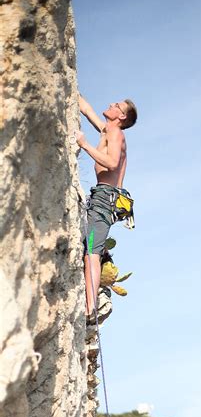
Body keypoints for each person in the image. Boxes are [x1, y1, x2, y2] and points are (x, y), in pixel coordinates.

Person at [76, 95, 137, 321]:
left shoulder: (116, 133)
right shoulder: (108, 131)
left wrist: (84, 144)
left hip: (104, 200)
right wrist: (77, 97)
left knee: (91, 251)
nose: (112, 104)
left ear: (121, 116)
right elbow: (88, 110)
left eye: (117, 106)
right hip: (105, 198)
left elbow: (111, 163)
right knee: (91, 248)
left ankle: (90, 306)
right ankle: (91, 302)